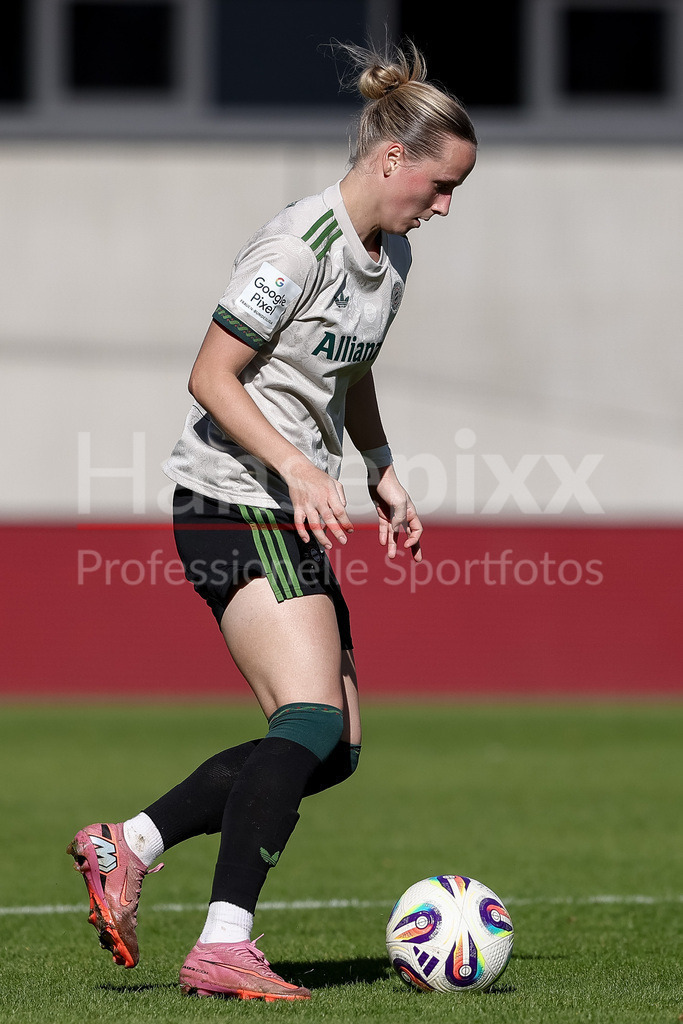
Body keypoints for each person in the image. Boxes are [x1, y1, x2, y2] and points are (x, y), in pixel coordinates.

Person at [67, 39, 477, 1002]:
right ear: (390, 161)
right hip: (230, 497)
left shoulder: (392, 253)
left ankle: (126, 844)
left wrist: (378, 468)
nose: (445, 206)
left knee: (331, 749)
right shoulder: (299, 244)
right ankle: (223, 945)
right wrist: (296, 462)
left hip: (286, 501)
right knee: (306, 716)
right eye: (440, 184)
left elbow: (351, 366)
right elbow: (210, 374)